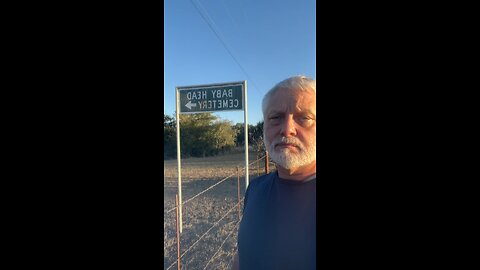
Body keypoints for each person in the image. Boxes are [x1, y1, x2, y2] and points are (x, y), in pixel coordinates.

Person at [232, 75, 316, 270]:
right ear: (264, 128)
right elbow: (242, 255)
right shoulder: (255, 188)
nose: (287, 129)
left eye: (304, 118)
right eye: (275, 118)